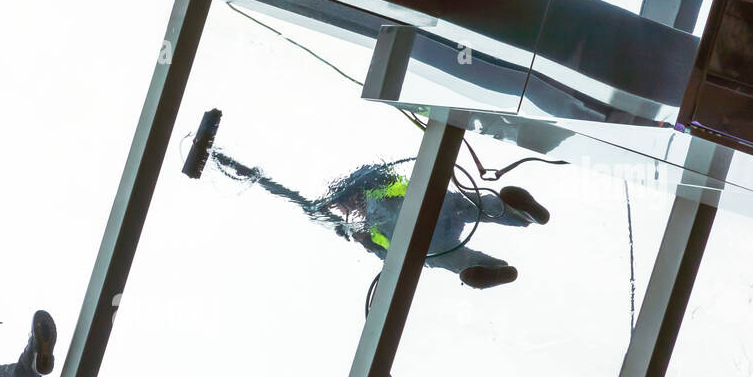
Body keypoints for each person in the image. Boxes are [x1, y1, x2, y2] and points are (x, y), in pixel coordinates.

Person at [206, 145, 548, 289]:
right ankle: (515, 213)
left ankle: (491, 265)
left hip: (426, 235)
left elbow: (388, 254)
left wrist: (360, 236)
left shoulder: (367, 211)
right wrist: (362, 236)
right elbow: (385, 247)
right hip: (436, 218)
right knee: (471, 208)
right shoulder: (372, 205)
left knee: (449, 255)